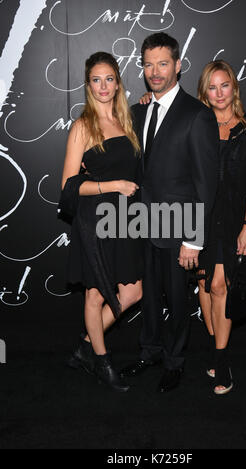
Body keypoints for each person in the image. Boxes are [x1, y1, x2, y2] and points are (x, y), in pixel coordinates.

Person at [121, 33, 219, 392]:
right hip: (143, 223)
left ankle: (175, 362)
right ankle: (149, 351)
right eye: (148, 64)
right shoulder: (141, 109)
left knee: (178, 300)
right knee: (148, 296)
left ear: (178, 65)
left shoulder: (197, 115)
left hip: (179, 228)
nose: (155, 71)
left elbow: (205, 183)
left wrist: (193, 239)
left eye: (163, 63)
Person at [60, 52, 143, 392]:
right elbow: (67, 186)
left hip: (126, 220)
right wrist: (114, 185)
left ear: (118, 82)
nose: (104, 85)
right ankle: (103, 362)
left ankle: (84, 347)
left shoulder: (128, 122)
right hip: (95, 220)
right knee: (95, 295)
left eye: (109, 78)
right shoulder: (83, 127)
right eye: (96, 79)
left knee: (133, 291)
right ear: (88, 84)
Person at [196, 60, 246, 394]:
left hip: (232, 219)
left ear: (234, 88)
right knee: (205, 287)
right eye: (212, 86)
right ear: (204, 92)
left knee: (221, 286)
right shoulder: (196, 125)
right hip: (200, 218)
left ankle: (222, 362)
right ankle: (214, 349)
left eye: (224, 85)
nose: (219, 93)